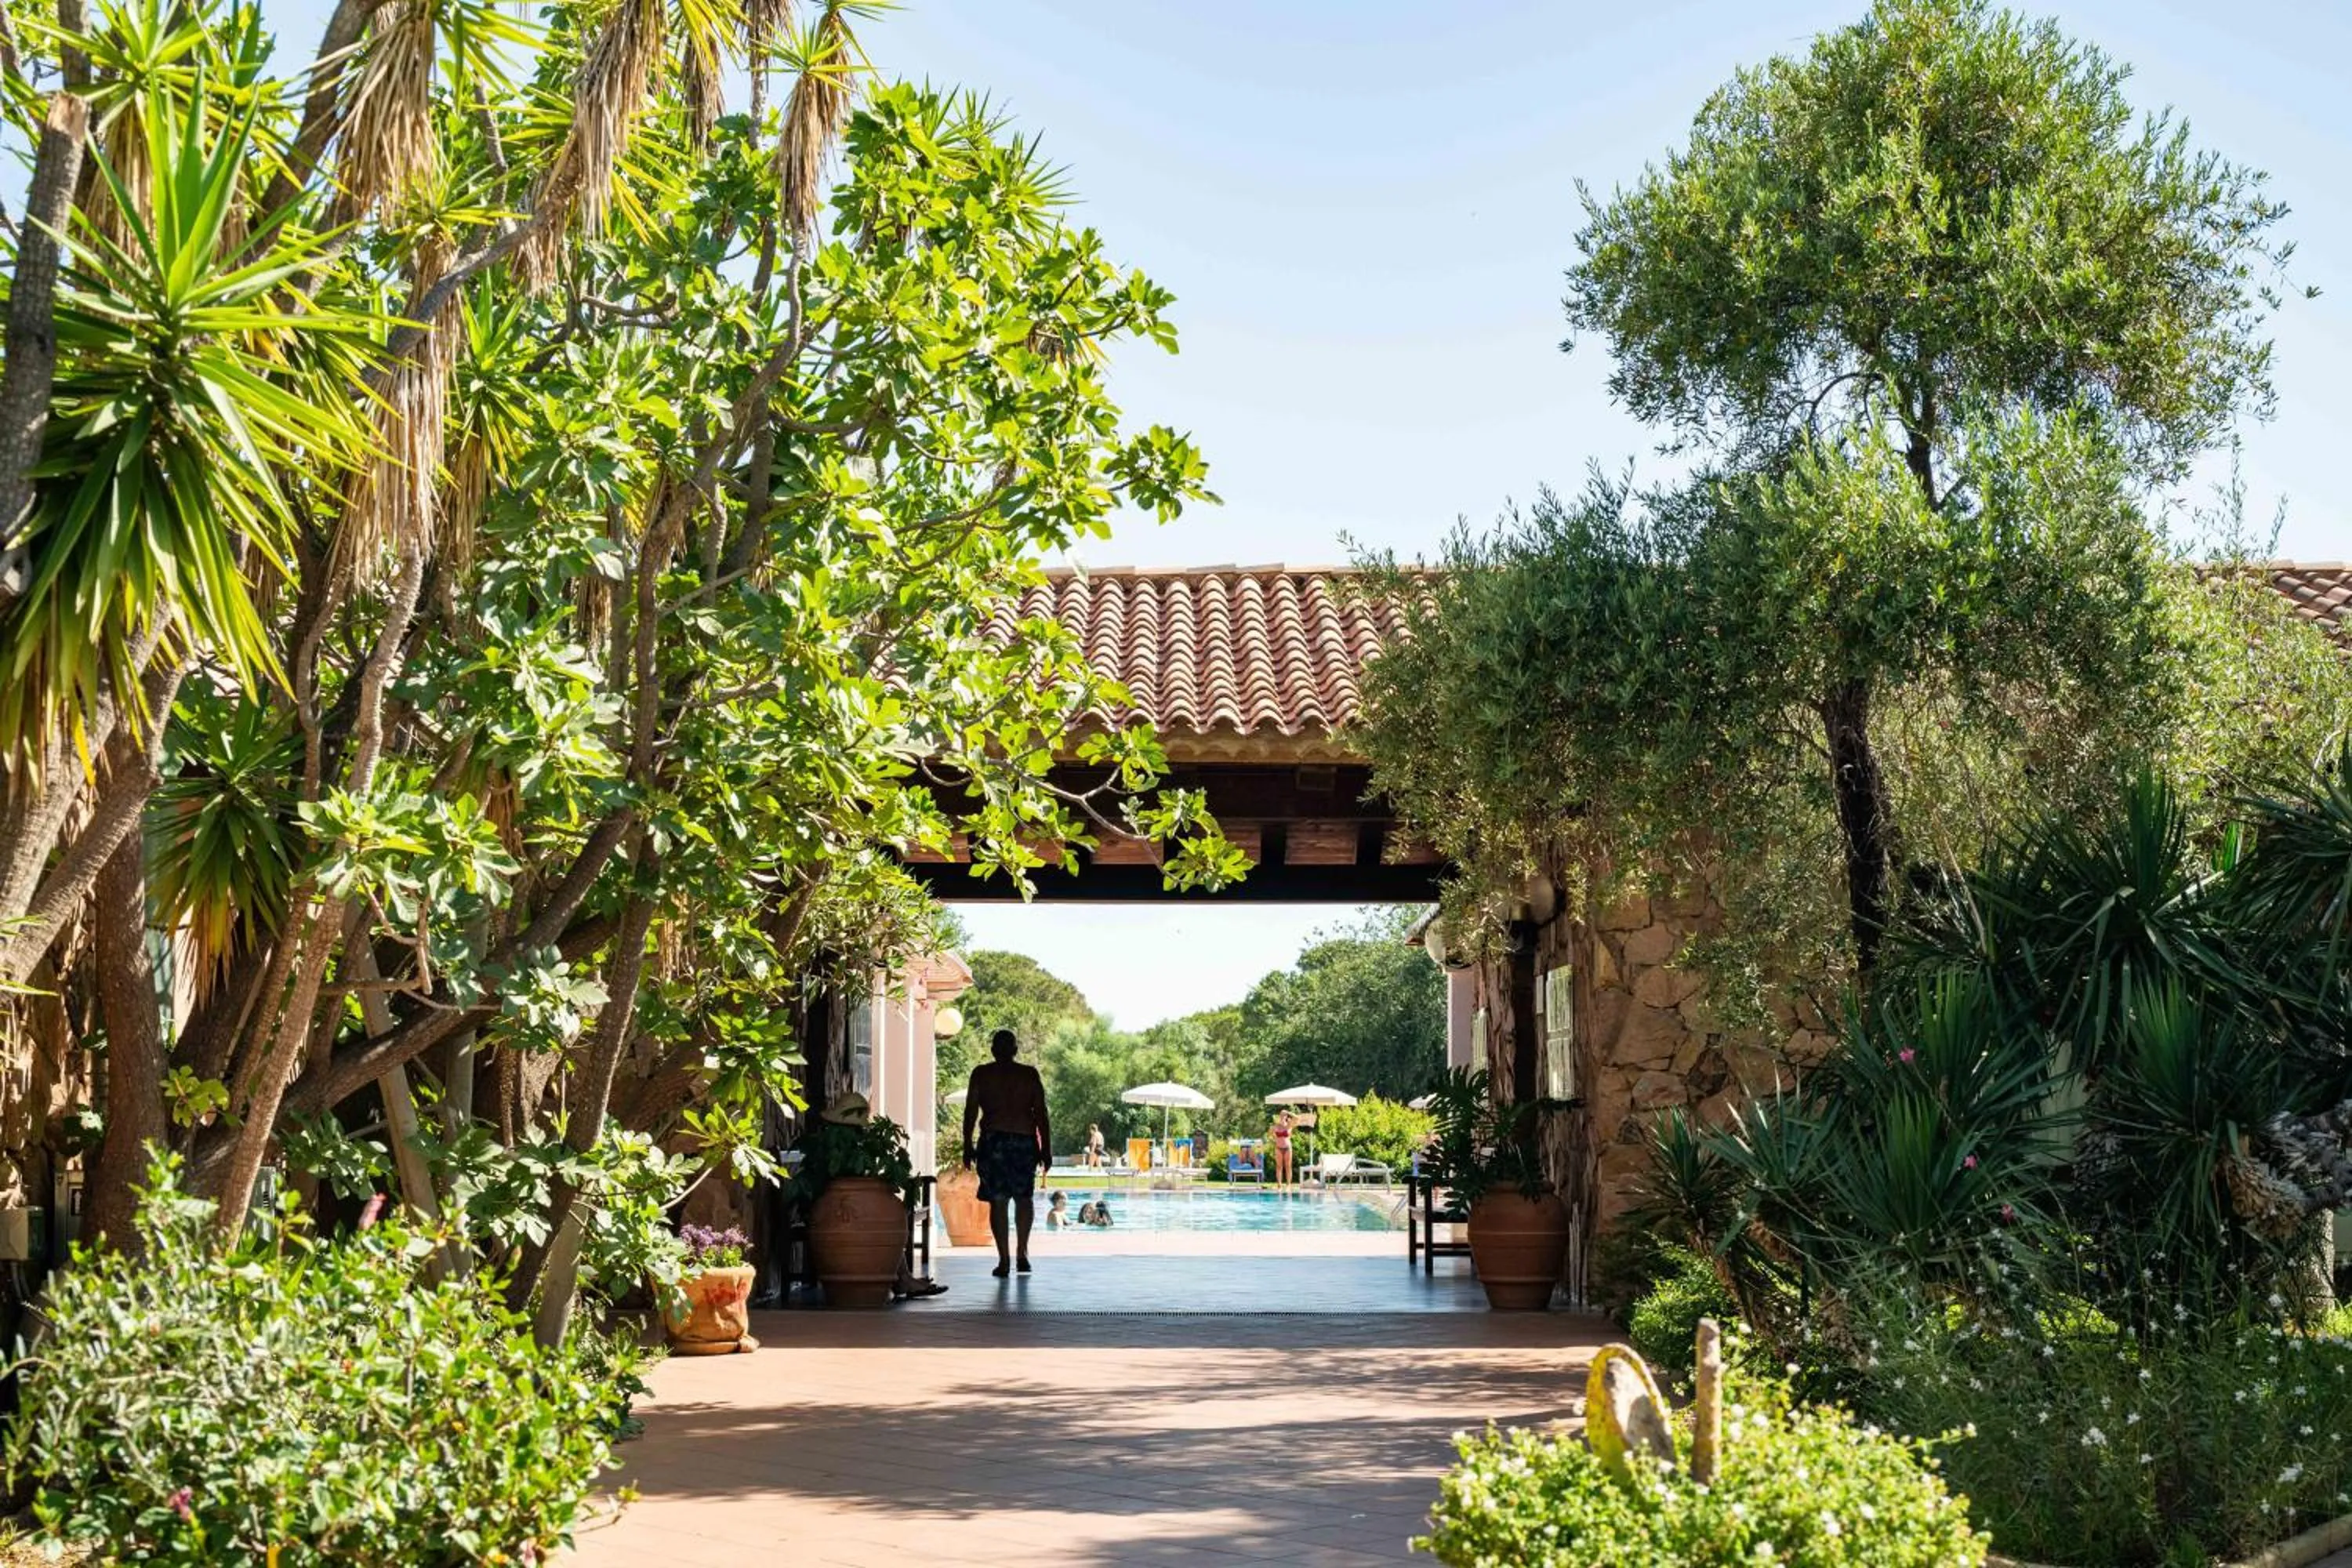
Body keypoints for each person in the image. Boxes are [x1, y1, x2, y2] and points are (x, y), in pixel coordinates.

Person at [961, 1028, 1051, 1278]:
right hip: (1023, 1141)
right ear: (1015, 1050)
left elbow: (970, 1113)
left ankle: (1004, 1261)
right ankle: (1022, 1253)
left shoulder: (982, 1074)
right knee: (1024, 1198)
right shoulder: (1028, 1075)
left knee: (998, 1201)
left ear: (992, 1050)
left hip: (994, 1141)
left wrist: (967, 1144)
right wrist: (1046, 1149)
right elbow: (1041, 1115)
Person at [1271, 1111, 1295, 1187]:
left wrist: (1288, 1112)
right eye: (1281, 1115)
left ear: (1287, 1117)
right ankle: (1279, 1185)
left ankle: (1288, 1185)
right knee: (1279, 1166)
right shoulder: (1276, 1126)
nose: (1282, 1116)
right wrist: (1274, 1139)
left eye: (1284, 1115)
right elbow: (1270, 1134)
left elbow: (1297, 1118)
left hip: (1287, 1148)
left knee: (1288, 1166)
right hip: (1278, 1148)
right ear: (1279, 1116)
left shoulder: (1289, 1125)